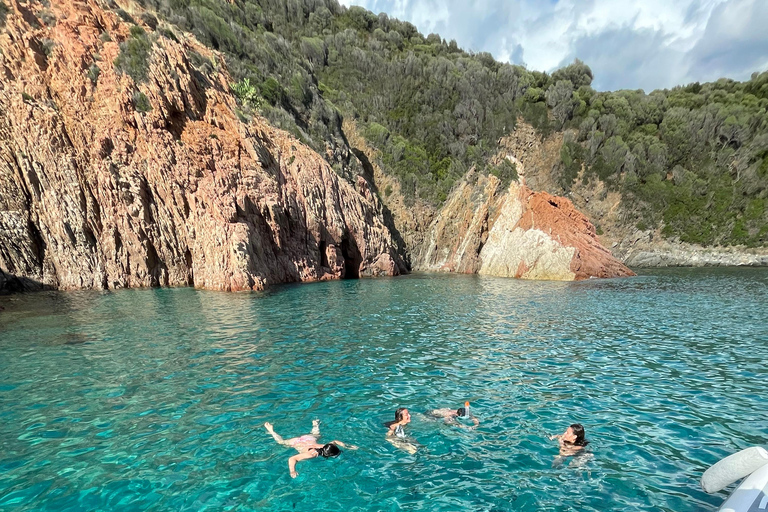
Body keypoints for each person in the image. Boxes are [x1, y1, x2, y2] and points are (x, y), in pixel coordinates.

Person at [264, 419, 357, 478]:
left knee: (316, 435)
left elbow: (335, 441)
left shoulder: (326, 445)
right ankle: (271, 431)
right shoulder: (312, 455)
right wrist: (292, 471)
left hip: (309, 439)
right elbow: (292, 458)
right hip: (297, 443)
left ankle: (315, 425)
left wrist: (347, 446)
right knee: (281, 442)